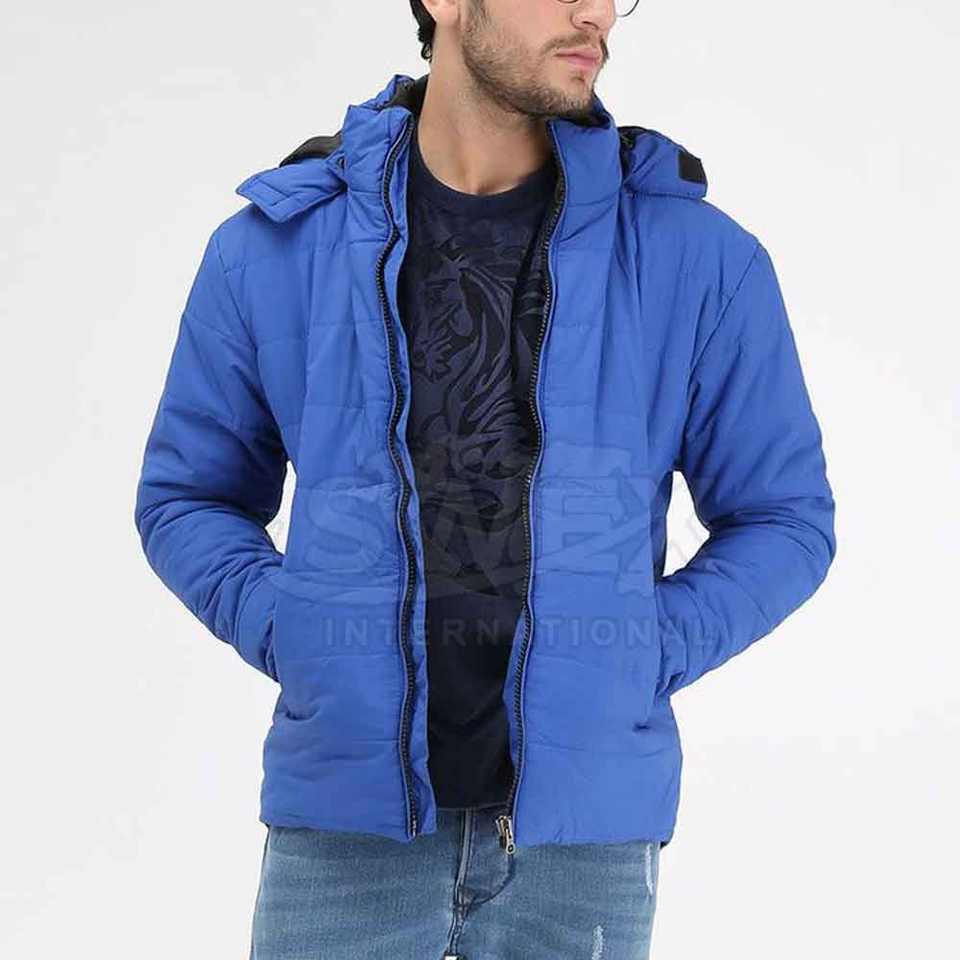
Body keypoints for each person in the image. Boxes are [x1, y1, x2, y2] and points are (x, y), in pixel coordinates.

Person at [133, 1, 837, 957]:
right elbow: (190, 497)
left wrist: (642, 650)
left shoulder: (698, 258)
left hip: (580, 847)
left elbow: (785, 519)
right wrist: (293, 626)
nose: (596, 12)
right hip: (343, 834)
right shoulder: (275, 246)